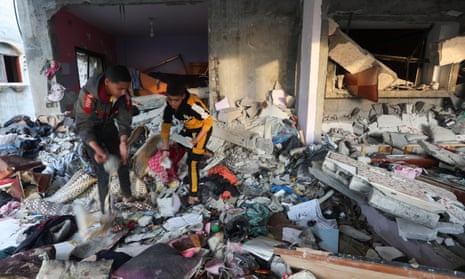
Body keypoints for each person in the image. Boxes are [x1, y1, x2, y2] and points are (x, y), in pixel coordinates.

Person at [74, 64, 134, 213]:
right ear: (107, 82)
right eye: (120, 88)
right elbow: (83, 126)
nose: (124, 92)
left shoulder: (123, 94)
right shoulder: (88, 95)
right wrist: (97, 149)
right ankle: (106, 212)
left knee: (123, 160)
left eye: (126, 88)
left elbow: (124, 120)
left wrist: (123, 142)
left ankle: (127, 195)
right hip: (91, 132)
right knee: (103, 172)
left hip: (107, 126)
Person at [160, 83, 214, 205]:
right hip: (189, 129)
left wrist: (197, 139)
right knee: (178, 144)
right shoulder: (169, 106)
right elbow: (165, 127)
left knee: (193, 162)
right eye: (170, 99)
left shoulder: (193, 104)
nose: (173, 103)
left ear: (183, 96)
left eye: (176, 100)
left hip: (201, 130)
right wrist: (165, 150)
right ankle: (203, 151)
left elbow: (209, 121)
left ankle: (193, 195)